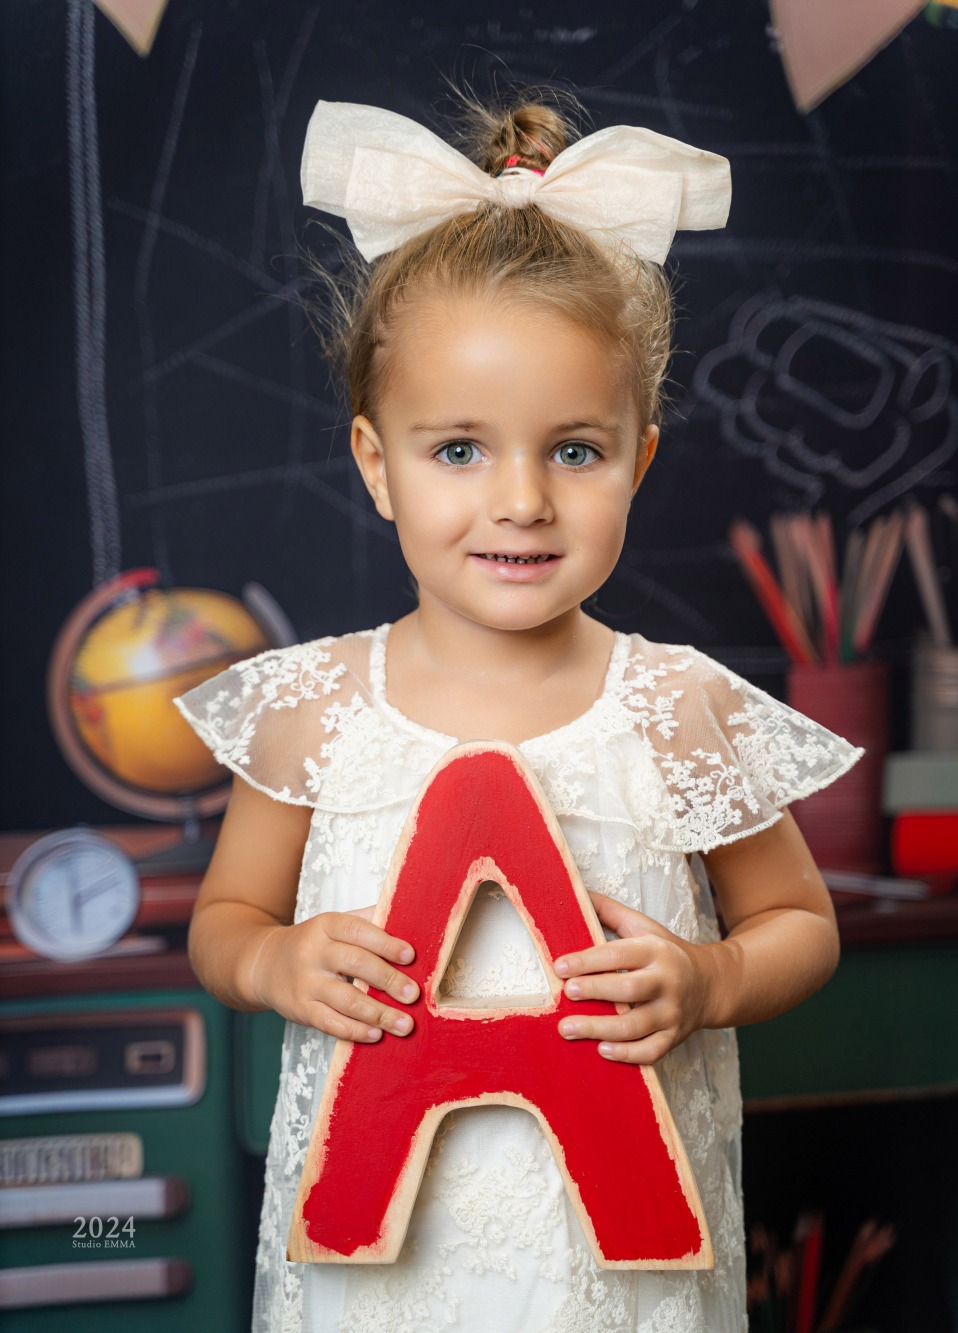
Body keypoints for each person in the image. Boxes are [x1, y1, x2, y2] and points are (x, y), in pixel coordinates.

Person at [176, 90, 861, 1333]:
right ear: (376, 463)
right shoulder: (314, 707)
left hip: (617, 1281)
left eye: (574, 451)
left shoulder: (677, 708)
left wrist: (708, 977)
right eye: (458, 450)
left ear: (638, 459)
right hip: (376, 1274)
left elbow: (799, 925)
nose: (523, 501)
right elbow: (223, 923)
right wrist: (276, 959)